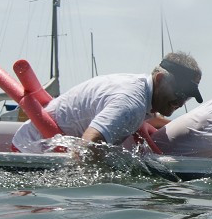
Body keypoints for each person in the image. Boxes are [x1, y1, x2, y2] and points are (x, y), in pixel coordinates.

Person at [12, 51, 202, 152]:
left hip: (29, 143)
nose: (182, 101)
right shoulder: (131, 103)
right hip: (31, 153)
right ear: (160, 80)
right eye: (180, 92)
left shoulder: (142, 90)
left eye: (188, 96)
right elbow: (88, 145)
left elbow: (148, 121)